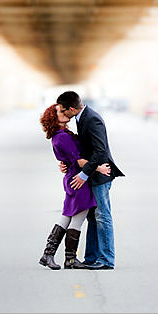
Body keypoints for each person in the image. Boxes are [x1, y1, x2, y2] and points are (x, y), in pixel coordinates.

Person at [56, 91, 124, 270]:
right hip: (93, 173)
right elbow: (83, 150)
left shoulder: (91, 119)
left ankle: (107, 260)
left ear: (71, 109)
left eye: (63, 111)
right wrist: (66, 163)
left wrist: (83, 174)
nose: (63, 115)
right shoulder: (81, 117)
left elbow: (100, 151)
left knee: (103, 216)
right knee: (93, 217)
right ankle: (91, 257)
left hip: (101, 175)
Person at [38, 105, 111, 270]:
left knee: (67, 216)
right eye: (60, 112)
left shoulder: (62, 135)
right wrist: (98, 168)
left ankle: (48, 254)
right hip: (79, 180)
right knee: (77, 219)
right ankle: (69, 259)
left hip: (73, 178)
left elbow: (69, 158)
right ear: (53, 117)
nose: (64, 113)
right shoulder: (62, 137)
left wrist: (65, 163)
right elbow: (78, 161)